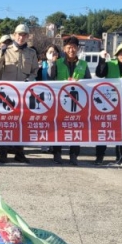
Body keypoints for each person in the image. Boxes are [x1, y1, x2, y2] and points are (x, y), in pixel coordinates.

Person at [0, 24, 39, 164]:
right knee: (5, 123)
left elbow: (35, 70)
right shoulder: (6, 50)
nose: (21, 37)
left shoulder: (31, 53)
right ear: (14, 35)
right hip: (7, 95)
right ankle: (3, 152)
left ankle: (19, 152)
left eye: (24, 35)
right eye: (19, 34)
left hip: (23, 94)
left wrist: (30, 79)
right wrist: (1, 53)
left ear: (27, 37)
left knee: (21, 123)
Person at [48, 35, 91, 166]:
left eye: (74, 47)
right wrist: (51, 63)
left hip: (78, 102)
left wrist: (81, 83)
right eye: (69, 47)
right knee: (59, 126)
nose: (71, 50)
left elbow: (89, 82)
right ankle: (57, 153)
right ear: (64, 49)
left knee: (76, 127)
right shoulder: (58, 62)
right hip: (61, 100)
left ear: (77, 49)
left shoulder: (83, 64)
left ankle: (73, 155)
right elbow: (50, 78)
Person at [94, 43, 122, 166]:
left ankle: (121, 158)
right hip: (108, 104)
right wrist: (102, 59)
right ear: (117, 54)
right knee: (104, 129)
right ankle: (99, 157)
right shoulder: (110, 64)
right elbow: (99, 73)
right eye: (121, 53)